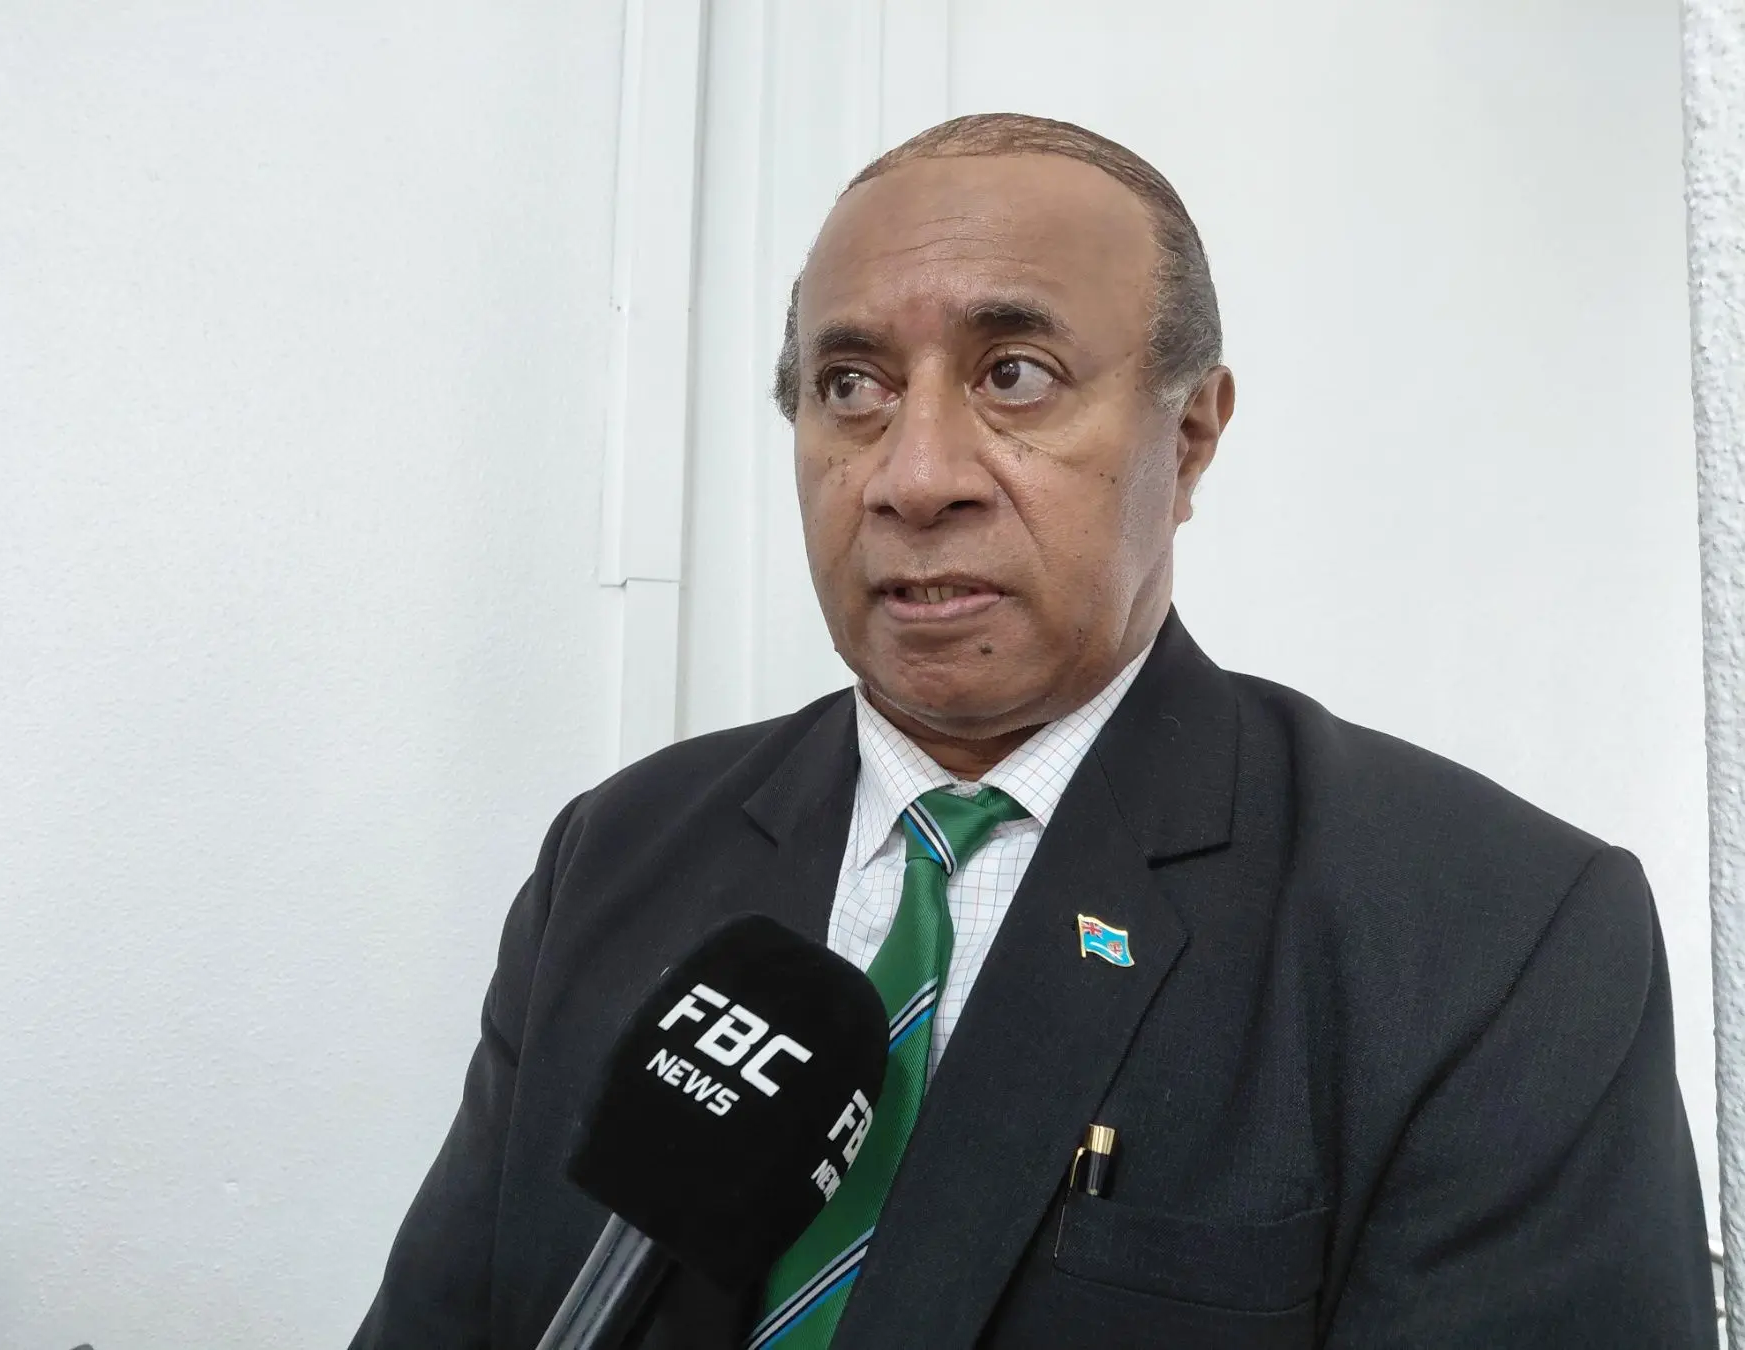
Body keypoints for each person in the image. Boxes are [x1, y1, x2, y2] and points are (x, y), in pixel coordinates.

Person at [348, 113, 1716, 1349]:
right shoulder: (620, 852)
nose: (915, 474)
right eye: (851, 386)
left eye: (1013, 373)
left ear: (1190, 438)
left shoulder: (1494, 934)